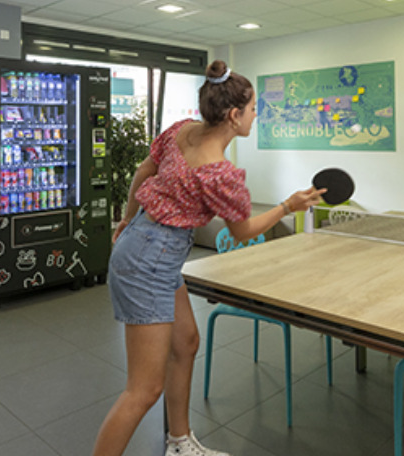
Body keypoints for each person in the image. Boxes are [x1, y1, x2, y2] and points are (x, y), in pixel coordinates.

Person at [92, 60, 325, 456]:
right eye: (253, 109)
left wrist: (128, 218)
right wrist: (288, 206)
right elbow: (242, 231)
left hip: (147, 243)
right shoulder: (220, 173)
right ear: (234, 115)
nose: (256, 115)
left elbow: (144, 171)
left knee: (186, 342)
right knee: (143, 389)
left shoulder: (180, 130)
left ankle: (180, 443)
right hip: (151, 259)